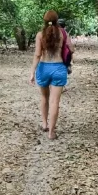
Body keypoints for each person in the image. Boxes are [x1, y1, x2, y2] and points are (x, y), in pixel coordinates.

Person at [31, 9, 72, 139]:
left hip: (43, 68)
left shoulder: (39, 35)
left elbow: (37, 54)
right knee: (55, 102)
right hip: (58, 69)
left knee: (44, 98)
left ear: (44, 20)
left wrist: (32, 72)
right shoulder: (62, 33)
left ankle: (44, 124)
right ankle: (51, 132)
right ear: (56, 20)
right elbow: (72, 49)